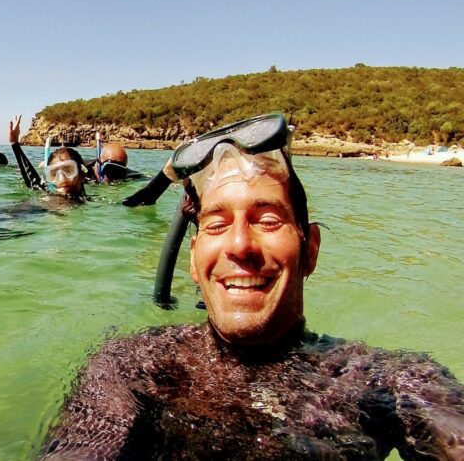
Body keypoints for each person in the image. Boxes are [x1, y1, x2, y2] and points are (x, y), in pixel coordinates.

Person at [42, 114, 464, 459]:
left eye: (267, 220)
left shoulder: (384, 380)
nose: (240, 244)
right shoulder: (135, 365)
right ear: (193, 258)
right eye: (217, 224)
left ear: (310, 250)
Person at [8, 115, 87, 200]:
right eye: (54, 174)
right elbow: (33, 181)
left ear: (81, 174)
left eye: (68, 170)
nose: (62, 178)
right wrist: (14, 144)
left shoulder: (95, 204)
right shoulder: (47, 197)